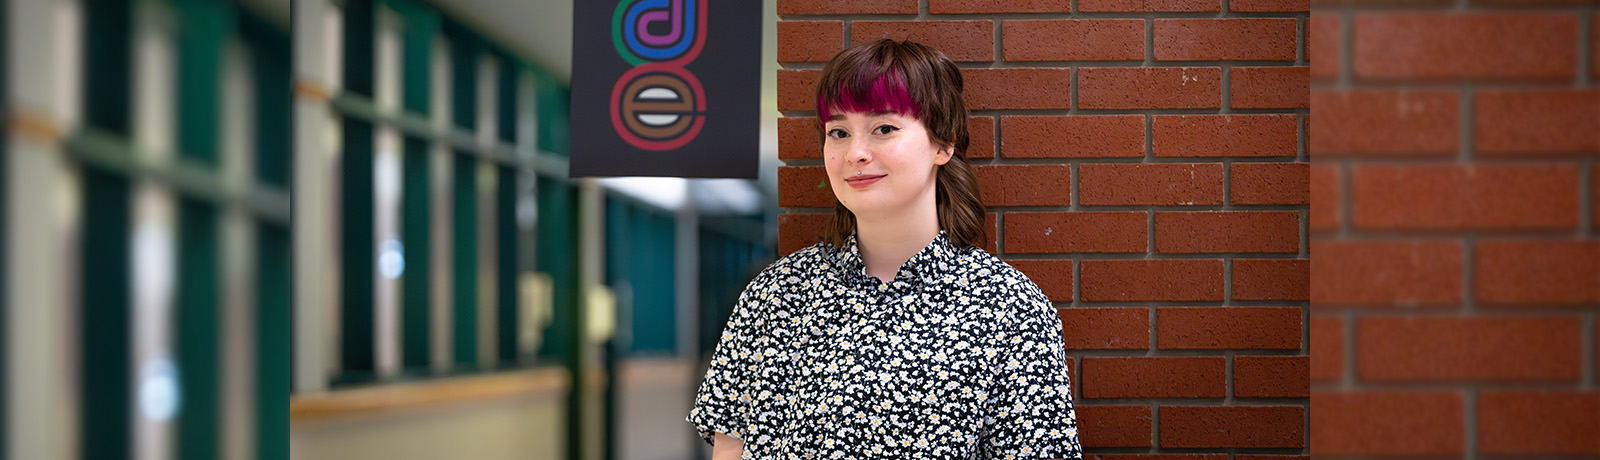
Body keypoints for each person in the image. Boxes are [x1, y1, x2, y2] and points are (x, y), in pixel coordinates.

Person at [688, 39, 1082, 459]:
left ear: (943, 143)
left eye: (884, 128)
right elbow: (730, 450)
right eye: (838, 132)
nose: (855, 153)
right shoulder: (773, 297)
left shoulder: (1009, 309)